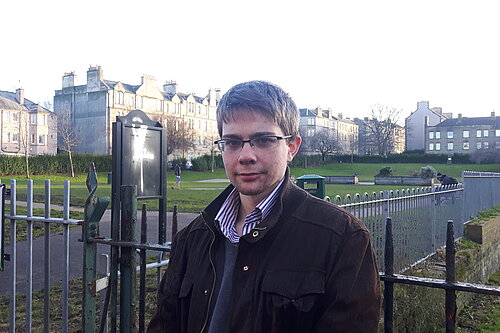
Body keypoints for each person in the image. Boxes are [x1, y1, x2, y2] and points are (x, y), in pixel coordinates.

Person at [148, 81, 381, 333]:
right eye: (233, 142)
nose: (246, 155)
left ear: (291, 147)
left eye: (264, 140)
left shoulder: (342, 237)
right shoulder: (192, 239)